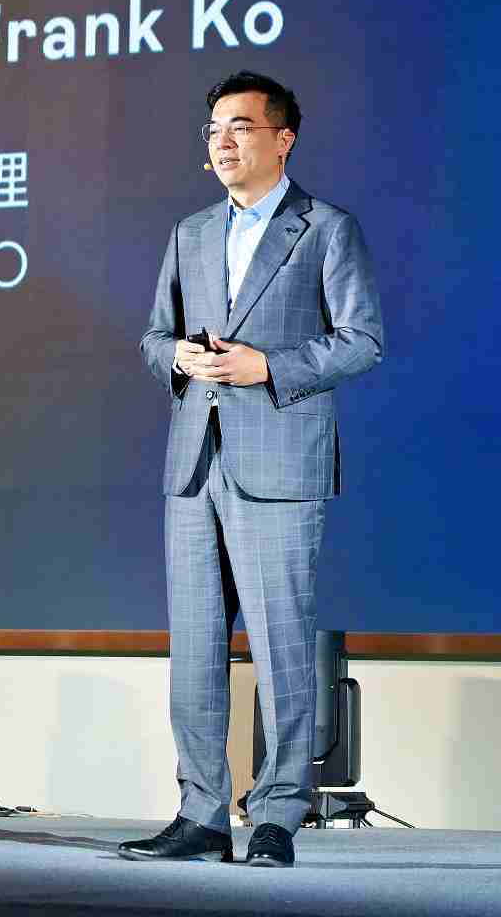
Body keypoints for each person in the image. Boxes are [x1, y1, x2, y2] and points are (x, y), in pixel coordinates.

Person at [122, 71, 384, 868]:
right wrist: (179, 357)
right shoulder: (191, 233)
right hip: (195, 463)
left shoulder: (325, 229)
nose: (222, 142)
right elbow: (153, 337)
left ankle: (276, 814)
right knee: (196, 650)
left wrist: (268, 366)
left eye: (239, 126)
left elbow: (362, 340)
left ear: (283, 139)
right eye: (213, 130)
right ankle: (200, 812)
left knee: (281, 647)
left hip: (279, 461)